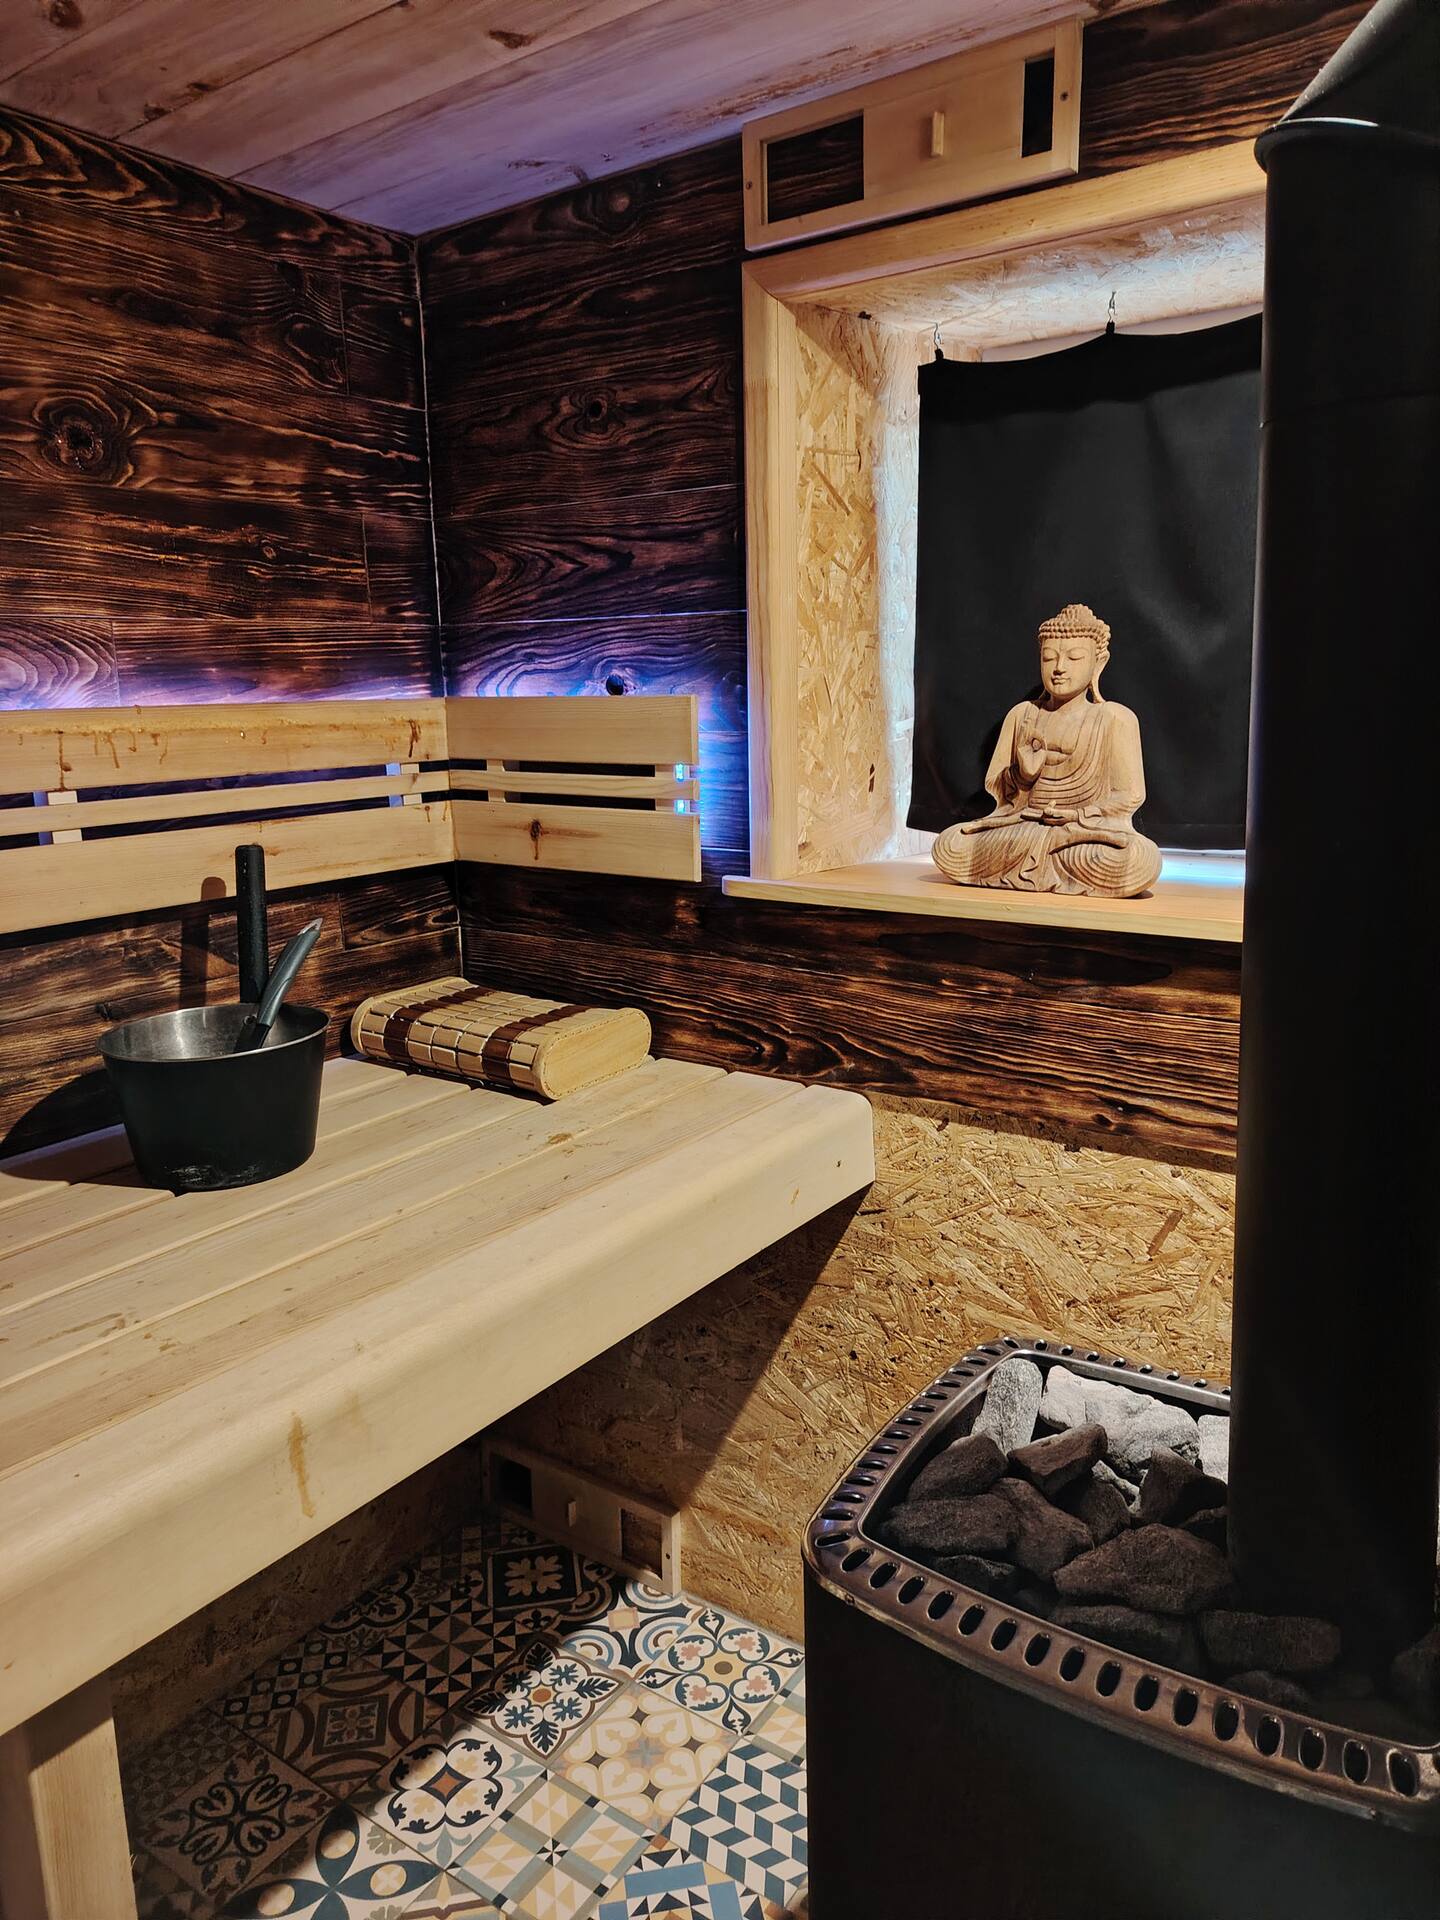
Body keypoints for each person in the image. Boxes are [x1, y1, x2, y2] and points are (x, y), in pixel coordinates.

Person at [931, 604, 1162, 897]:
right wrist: (1022, 775)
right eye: (1049, 657)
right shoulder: (1022, 715)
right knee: (950, 843)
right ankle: (1047, 870)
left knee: (1139, 858)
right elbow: (996, 788)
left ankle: (1043, 868)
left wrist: (1078, 815)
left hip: (1080, 835)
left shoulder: (1115, 718)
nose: (1059, 667)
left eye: (1074, 657)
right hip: (1023, 827)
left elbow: (1129, 795)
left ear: (1098, 663)